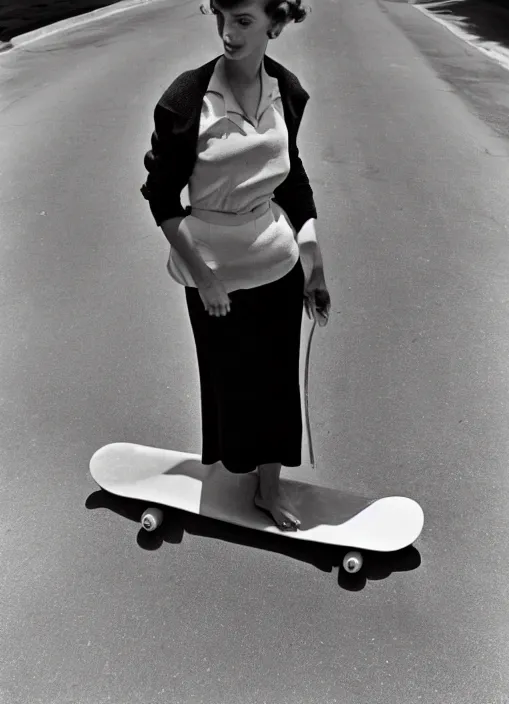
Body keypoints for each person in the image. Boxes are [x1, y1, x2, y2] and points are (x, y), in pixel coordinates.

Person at [141, 0, 331, 531]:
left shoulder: (286, 91)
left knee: (275, 382)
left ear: (276, 23)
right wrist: (205, 279)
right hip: (213, 279)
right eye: (222, 16)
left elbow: (291, 175)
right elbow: (160, 197)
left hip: (277, 267)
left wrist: (313, 257)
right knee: (232, 381)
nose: (228, 31)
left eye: (244, 20)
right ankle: (240, 468)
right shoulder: (186, 100)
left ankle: (269, 488)